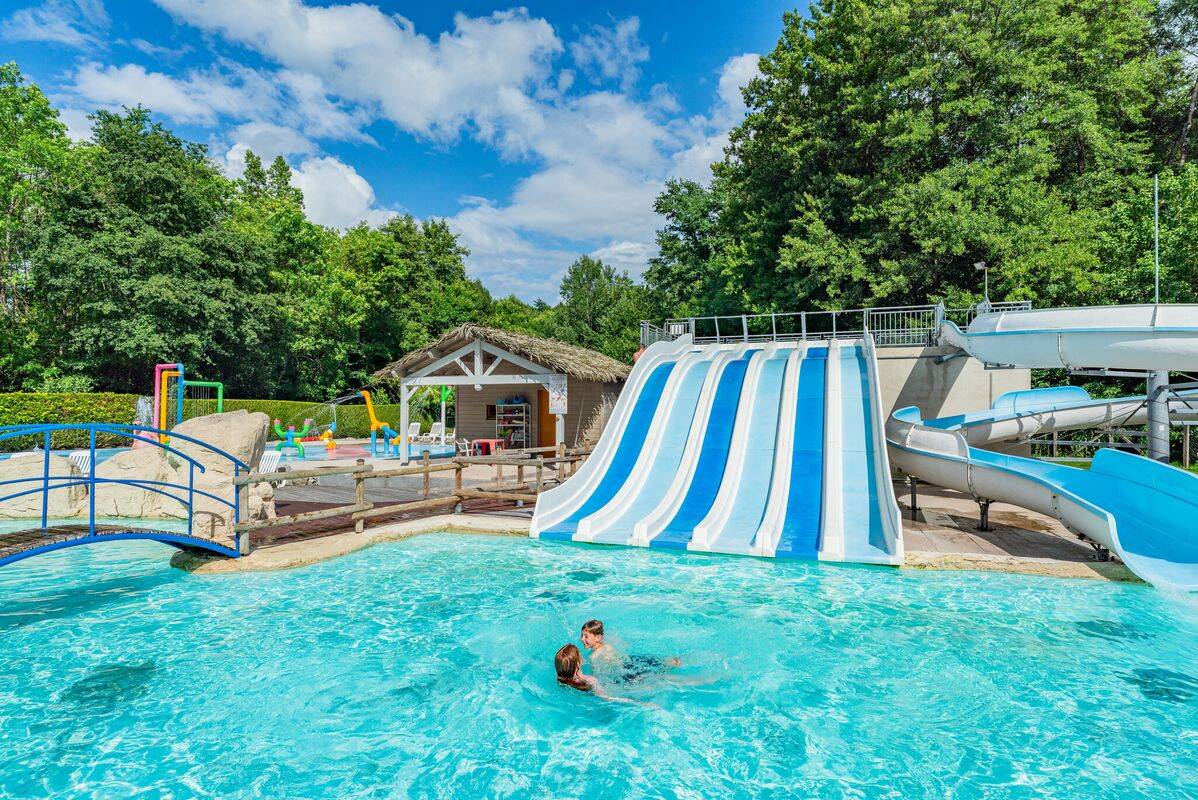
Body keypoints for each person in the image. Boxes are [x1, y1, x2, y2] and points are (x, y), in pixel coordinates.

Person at [580, 619, 681, 683]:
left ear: (598, 638)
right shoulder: (607, 645)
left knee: (651, 677)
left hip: (624, 673)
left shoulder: (593, 656)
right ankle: (670, 662)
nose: (582, 639)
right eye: (582, 636)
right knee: (653, 665)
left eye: (586, 636)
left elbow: (598, 676)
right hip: (630, 661)